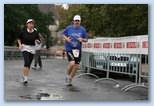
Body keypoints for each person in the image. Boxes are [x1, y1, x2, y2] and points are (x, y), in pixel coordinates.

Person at [63, 15, 88, 86]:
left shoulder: (82, 29)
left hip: (77, 49)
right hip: (69, 48)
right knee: (72, 63)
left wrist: (82, 39)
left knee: (76, 66)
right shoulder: (69, 28)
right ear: (73, 21)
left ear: (80, 22)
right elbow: (63, 34)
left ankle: (70, 79)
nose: (77, 22)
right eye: (75, 21)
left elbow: (86, 39)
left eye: (78, 21)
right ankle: (67, 76)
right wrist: (67, 39)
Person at [17, 19, 41, 86]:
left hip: (32, 48)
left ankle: (24, 75)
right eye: (29, 23)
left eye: (32, 24)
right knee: (26, 62)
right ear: (27, 24)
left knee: (28, 65)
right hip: (25, 48)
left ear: (33, 25)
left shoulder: (36, 32)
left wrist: (38, 41)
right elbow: (19, 38)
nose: (31, 25)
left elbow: (38, 40)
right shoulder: (23, 32)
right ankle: (25, 79)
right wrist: (19, 45)